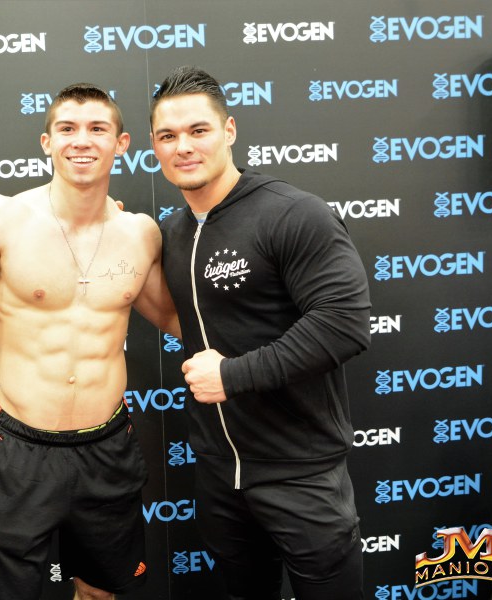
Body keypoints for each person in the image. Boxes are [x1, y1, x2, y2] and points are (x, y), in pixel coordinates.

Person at [0, 83, 179, 600]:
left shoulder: (140, 234)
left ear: (121, 144)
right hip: (22, 450)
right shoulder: (1, 219)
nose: (82, 140)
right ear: (47, 142)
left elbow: (178, 320)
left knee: (101, 592)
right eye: (67, 128)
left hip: (108, 445)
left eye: (97, 129)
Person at [149, 66, 371, 599]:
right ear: (154, 146)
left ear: (229, 130)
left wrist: (231, 375)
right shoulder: (172, 232)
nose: (183, 147)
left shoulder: (294, 213)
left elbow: (344, 323)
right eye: (168, 136)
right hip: (220, 473)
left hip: (300, 472)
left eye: (198, 130)